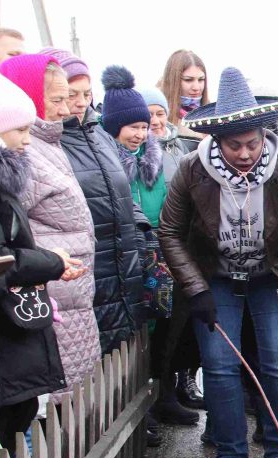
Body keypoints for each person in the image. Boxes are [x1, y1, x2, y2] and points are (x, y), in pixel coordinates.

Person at [158, 67, 278, 458]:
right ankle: (230, 457)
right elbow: (170, 232)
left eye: (252, 144)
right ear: (217, 140)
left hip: (272, 278)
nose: (246, 153)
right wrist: (195, 288)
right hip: (216, 278)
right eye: (235, 146)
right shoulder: (192, 170)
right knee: (219, 364)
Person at [0, 64, 77, 448]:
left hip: (13, 323)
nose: (29, 140)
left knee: (18, 420)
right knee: (6, 427)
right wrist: (51, 262)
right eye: (21, 130)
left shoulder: (0, 174)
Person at [99, 65, 200, 426]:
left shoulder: (156, 155)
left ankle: (166, 395)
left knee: (168, 328)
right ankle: (142, 410)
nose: (142, 133)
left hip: (163, 252)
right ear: (114, 126)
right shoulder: (107, 159)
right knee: (136, 335)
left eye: (145, 126)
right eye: (134, 126)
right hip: (129, 254)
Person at [0, 54, 101, 404]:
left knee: (75, 416)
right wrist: (48, 264)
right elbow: (14, 232)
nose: (66, 109)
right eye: (56, 99)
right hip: (50, 303)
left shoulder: (48, 144)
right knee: (53, 418)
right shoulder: (24, 151)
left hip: (72, 297)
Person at [37, 48, 145, 358]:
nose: (81, 102)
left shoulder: (101, 136)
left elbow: (124, 193)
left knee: (120, 369)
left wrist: (143, 237)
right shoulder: (48, 143)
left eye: (87, 93)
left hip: (124, 269)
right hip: (84, 273)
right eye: (71, 94)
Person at [139, 85, 204, 410]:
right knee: (158, 325)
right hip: (151, 246)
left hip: (177, 246)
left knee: (177, 324)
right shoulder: (141, 153)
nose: (154, 120)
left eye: (159, 113)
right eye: (147, 114)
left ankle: (178, 386)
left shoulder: (180, 146)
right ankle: (160, 396)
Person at [157, 50, 208, 152]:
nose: (196, 87)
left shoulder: (214, 115)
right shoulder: (157, 116)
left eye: (201, 79)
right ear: (173, 81)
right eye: (188, 80)